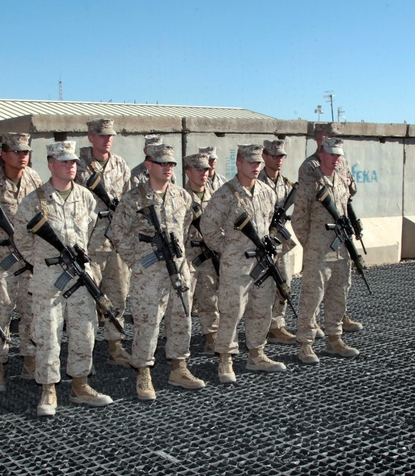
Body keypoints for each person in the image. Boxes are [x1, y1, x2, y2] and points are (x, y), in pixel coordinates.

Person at [14, 141, 113, 416]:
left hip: (81, 276)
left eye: (73, 162)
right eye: (64, 161)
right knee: (48, 335)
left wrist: (86, 261)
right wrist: (42, 262)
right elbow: (21, 238)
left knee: (84, 331)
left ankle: (80, 385)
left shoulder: (86, 197)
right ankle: (48, 390)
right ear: (50, 164)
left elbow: (93, 233)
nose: (71, 166)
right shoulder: (34, 200)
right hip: (49, 278)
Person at [109, 144, 205, 400]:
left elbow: (184, 230)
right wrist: (137, 261)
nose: (167, 168)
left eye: (171, 164)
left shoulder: (182, 196)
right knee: (147, 322)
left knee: (181, 318)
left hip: (178, 269)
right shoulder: (134, 198)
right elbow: (118, 232)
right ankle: (143, 372)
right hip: (149, 273)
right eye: (162, 163)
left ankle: (179, 367)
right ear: (148, 165)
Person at [200, 144, 288, 382]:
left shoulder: (266, 192)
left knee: (261, 308)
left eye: (258, 163)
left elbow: (269, 226)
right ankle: (225, 360)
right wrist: (226, 249)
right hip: (236, 265)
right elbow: (207, 226)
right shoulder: (225, 194)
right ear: (238, 163)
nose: (256, 167)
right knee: (232, 311)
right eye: (251, 162)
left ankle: (256, 354)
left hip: (262, 264)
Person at [0, 132, 43, 392]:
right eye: (16, 152)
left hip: (29, 258)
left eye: (25, 152)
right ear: (3, 153)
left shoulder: (34, 179)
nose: (22, 156)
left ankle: (29, 360)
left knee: (30, 310)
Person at [292, 138, 360, 362]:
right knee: (312, 298)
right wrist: (310, 244)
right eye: (331, 154)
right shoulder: (311, 183)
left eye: (338, 155)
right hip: (318, 252)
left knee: (338, 295)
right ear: (321, 154)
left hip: (340, 251)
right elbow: (299, 219)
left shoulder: (341, 181)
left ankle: (334, 339)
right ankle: (306, 343)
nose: (335, 159)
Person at [76, 118, 133, 366]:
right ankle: (83, 352)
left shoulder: (120, 165)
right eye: (102, 135)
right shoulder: (77, 167)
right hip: (91, 244)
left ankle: (115, 345)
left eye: (110, 135)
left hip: (117, 242)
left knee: (118, 295)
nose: (107, 139)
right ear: (91, 137)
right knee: (87, 300)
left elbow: (129, 200)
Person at [183, 152, 224, 354]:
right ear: (188, 171)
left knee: (210, 298)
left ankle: (212, 337)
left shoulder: (215, 197)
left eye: (206, 169)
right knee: (183, 301)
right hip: (187, 256)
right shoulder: (180, 197)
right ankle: (179, 343)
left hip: (208, 257)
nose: (203, 174)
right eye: (198, 169)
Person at [259, 138, 299, 345]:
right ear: (264, 156)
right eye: (274, 156)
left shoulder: (287, 185)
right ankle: (259, 326)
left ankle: (277, 325)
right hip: (260, 242)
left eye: (281, 156)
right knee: (260, 287)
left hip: (281, 243)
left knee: (284, 282)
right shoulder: (255, 182)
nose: (278, 160)